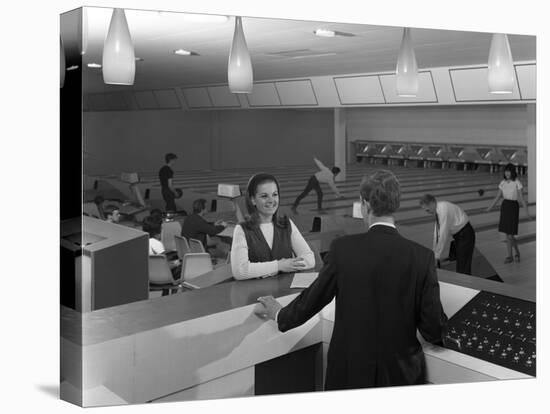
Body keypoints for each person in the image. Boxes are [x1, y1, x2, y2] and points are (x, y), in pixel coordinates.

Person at [255, 170, 447, 389]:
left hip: (350, 372)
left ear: (364, 204)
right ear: (396, 204)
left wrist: (281, 314)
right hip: (400, 374)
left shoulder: (343, 249)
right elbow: (433, 328)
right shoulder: (422, 257)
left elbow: (313, 298)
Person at [231, 173, 315, 280]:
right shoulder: (242, 229)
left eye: (275, 194)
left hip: (285, 292)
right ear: (253, 200)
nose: (271, 200)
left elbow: (309, 259)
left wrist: (288, 265)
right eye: (264, 196)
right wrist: (279, 266)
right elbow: (240, 271)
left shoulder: (286, 223)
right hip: (256, 294)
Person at [486, 163, 532, 263]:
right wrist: (489, 208)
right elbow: (498, 197)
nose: (507, 173)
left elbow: (522, 199)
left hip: (513, 207)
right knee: (507, 234)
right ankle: (510, 256)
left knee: (511, 235)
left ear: (512, 172)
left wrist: (527, 213)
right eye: (505, 171)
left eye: (509, 171)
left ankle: (516, 252)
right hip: (505, 206)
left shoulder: (517, 183)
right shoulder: (502, 183)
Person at [419, 194, 476, 275]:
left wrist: (436, 256)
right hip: (461, 236)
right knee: (461, 266)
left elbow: (442, 235)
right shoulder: (439, 209)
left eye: (427, 210)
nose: (427, 212)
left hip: (465, 235)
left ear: (432, 203)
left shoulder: (443, 211)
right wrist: (434, 253)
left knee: (463, 269)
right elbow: (437, 234)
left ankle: (466, 286)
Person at [142, 215, 181, 294]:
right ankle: (173, 295)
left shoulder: (142, 242)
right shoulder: (157, 244)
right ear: (159, 231)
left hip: (150, 278)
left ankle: (165, 293)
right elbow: (165, 267)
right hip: (164, 278)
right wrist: (177, 263)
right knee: (182, 265)